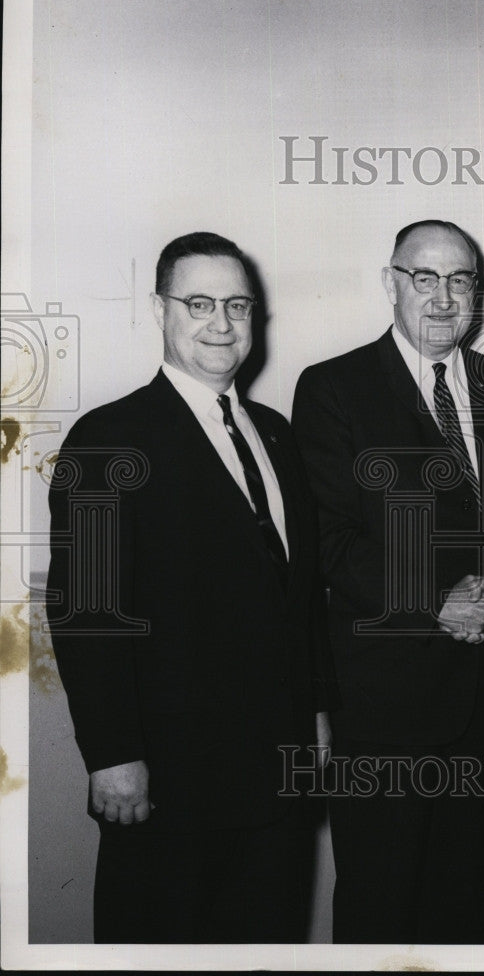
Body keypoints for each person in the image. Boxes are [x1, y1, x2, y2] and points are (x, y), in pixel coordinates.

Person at [46, 231, 337, 943]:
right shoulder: (108, 437)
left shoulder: (274, 434)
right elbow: (86, 612)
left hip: (275, 776)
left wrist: (320, 717)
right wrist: (112, 756)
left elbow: (300, 598)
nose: (221, 324)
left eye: (238, 305)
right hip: (167, 782)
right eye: (199, 303)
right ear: (159, 307)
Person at [292, 219, 484, 944]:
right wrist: (432, 598)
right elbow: (327, 542)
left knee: (460, 900)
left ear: (476, 290)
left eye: (459, 279)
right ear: (391, 283)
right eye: (424, 278)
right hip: (382, 701)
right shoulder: (332, 388)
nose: (442, 298)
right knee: (378, 901)